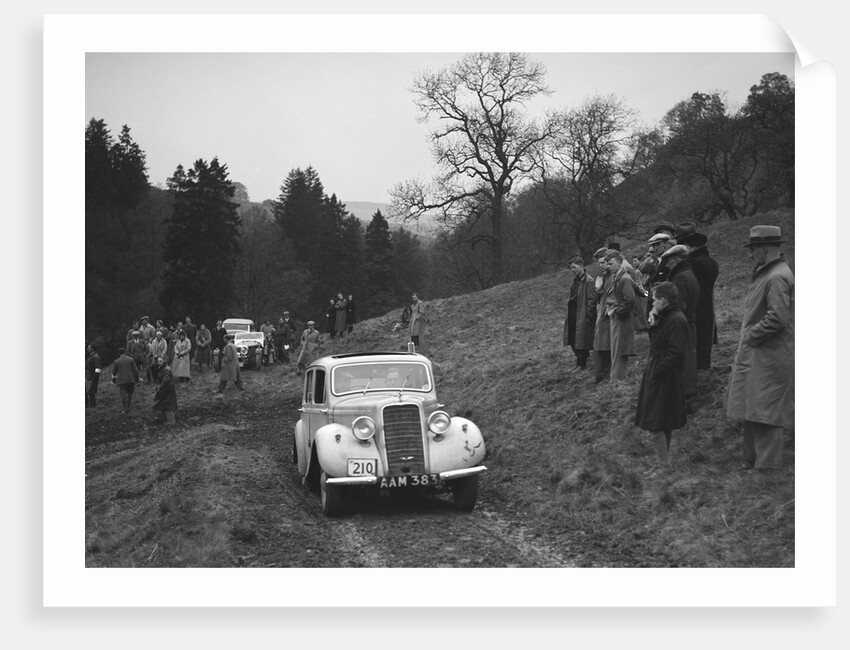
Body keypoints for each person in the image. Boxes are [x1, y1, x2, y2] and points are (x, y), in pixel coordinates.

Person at [726, 225, 794, 470]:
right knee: (752, 405)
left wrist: (752, 335)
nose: (749, 254)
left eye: (753, 249)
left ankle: (767, 468)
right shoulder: (768, 272)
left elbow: (778, 318)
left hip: (770, 354)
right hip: (759, 352)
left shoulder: (776, 276)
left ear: (765, 248)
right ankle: (751, 459)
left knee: (766, 409)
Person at [635, 281, 688, 471]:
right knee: (661, 420)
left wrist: (657, 371)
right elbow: (657, 342)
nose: (652, 303)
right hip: (660, 372)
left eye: (655, 300)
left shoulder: (676, 320)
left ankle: (664, 466)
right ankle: (664, 463)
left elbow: (676, 352)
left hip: (665, 376)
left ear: (664, 301)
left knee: (656, 422)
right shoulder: (665, 317)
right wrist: (653, 323)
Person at [675, 222, 720, 370]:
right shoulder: (710, 261)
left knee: (694, 351)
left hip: (694, 312)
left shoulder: (693, 264)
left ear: (689, 245)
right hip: (707, 310)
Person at [660, 244, 700, 403]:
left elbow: (679, 305)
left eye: (669, 262)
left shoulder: (680, 277)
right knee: (688, 358)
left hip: (682, 325)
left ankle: (684, 396)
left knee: (683, 361)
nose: (667, 266)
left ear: (676, 260)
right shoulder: (688, 273)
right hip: (689, 323)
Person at [604, 250, 636, 382]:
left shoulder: (624, 278)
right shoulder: (617, 277)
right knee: (615, 347)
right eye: (607, 264)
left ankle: (618, 379)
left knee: (619, 348)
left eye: (611, 264)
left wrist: (619, 312)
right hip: (617, 315)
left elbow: (630, 299)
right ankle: (615, 378)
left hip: (621, 317)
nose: (608, 267)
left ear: (619, 263)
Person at [563, 256, 596, 372]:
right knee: (573, 337)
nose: (572, 270)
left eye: (574, 267)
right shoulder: (577, 280)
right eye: (571, 268)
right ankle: (579, 362)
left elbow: (592, 300)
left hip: (582, 313)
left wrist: (588, 315)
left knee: (581, 339)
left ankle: (582, 364)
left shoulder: (589, 281)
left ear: (581, 266)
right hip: (574, 312)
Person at [591, 247, 612, 383]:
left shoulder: (614, 276)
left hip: (608, 315)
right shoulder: (603, 276)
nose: (601, 265)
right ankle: (600, 373)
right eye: (599, 263)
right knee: (600, 344)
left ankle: (604, 373)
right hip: (602, 313)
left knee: (605, 344)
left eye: (603, 262)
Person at [111, 347, 139, 413]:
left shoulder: (116, 361)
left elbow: (114, 373)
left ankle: (124, 408)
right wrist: (137, 379)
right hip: (130, 380)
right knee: (130, 394)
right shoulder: (131, 359)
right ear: (125, 352)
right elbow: (136, 370)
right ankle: (128, 406)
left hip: (121, 381)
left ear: (118, 353)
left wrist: (114, 381)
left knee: (124, 395)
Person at [153, 359, 177, 425]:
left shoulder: (167, 369)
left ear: (164, 361)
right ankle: (161, 418)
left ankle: (171, 421)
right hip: (164, 389)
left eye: (160, 361)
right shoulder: (162, 368)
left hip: (168, 389)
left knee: (169, 405)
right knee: (161, 403)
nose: (159, 362)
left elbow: (166, 380)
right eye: (158, 361)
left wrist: (159, 387)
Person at [85, 343, 101, 408]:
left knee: (91, 392)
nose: (87, 349)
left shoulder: (95, 357)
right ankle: (89, 405)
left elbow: (98, 369)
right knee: (88, 391)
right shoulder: (91, 356)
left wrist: (94, 379)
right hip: (88, 376)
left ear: (93, 349)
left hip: (91, 377)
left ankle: (92, 405)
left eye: (89, 348)